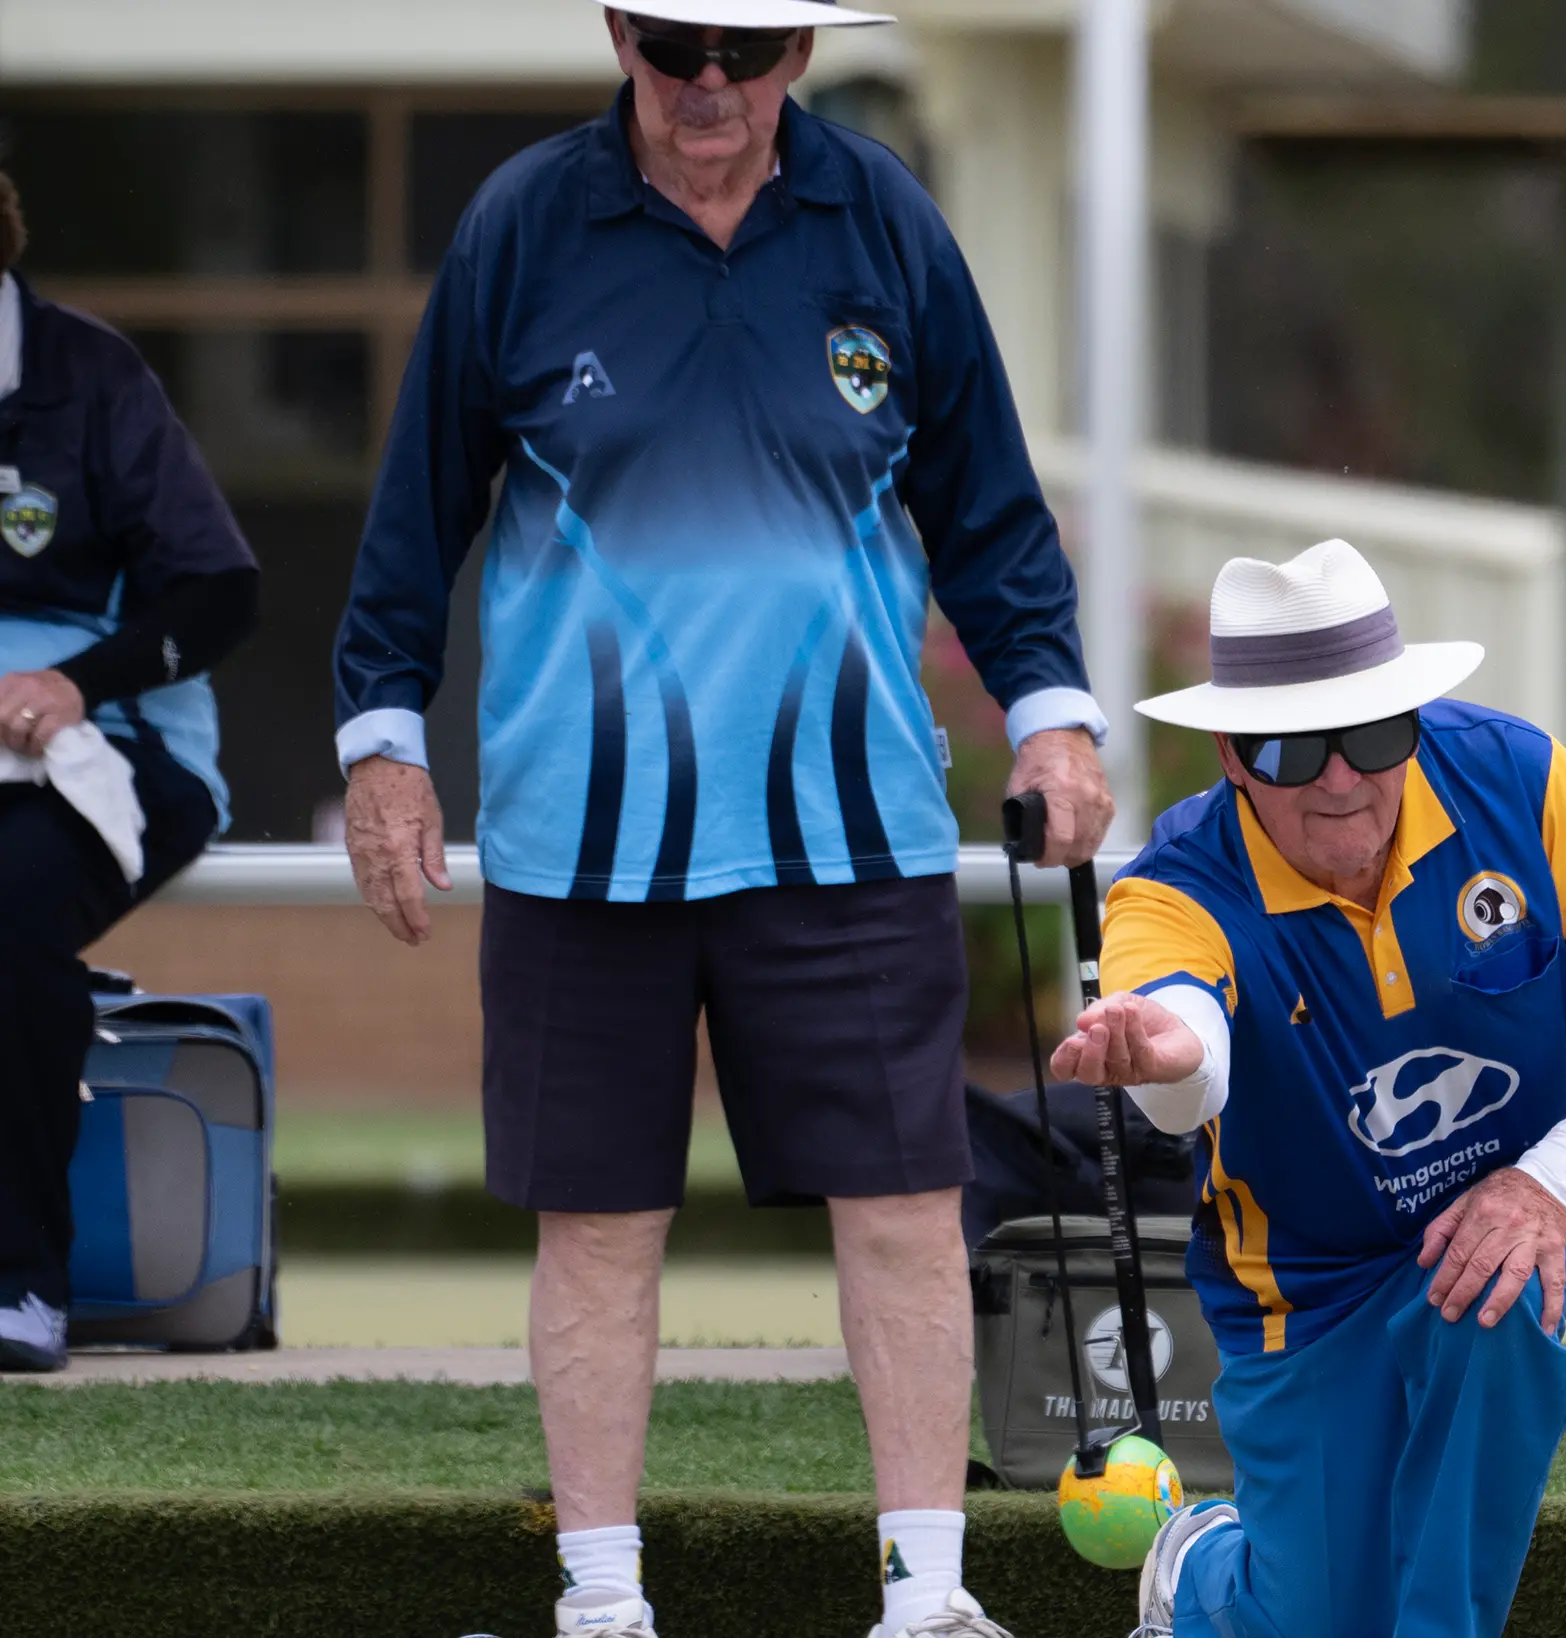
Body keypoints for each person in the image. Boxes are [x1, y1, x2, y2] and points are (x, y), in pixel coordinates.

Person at [330, 6, 1112, 1635]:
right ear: (620, 32)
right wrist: (384, 745)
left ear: (801, 56)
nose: (706, 86)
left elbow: (993, 514)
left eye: (744, 51)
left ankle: (925, 1591)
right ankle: (603, 1600)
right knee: (599, 1226)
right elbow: (414, 512)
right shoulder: (521, 226)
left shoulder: (886, 222)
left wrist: (1053, 713)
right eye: (675, 42)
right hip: (580, 840)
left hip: (848, 830)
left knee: (904, 1212)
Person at [1050, 541, 1566, 1638]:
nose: (1341, 778)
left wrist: (1550, 1184)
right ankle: (1199, 1574)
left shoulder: (1517, 778)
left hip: (1535, 1183)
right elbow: (1189, 1056)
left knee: (1494, 1296)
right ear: (1233, 757)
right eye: (1293, 749)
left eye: (1375, 734)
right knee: (1318, 1618)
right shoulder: (1172, 888)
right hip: (1307, 1282)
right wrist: (1164, 1055)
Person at [0, 168, 261, 1372]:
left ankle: (21, 1285)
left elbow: (217, 593)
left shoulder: (91, 379)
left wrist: (71, 688)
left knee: (7, 909)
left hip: (119, 750)